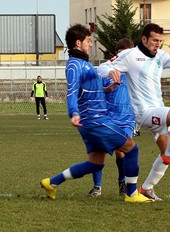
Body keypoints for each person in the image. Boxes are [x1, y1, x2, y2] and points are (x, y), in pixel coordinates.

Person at [40, 24, 153, 203]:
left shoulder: (85, 64)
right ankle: (131, 194)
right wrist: (73, 112)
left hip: (93, 121)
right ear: (78, 43)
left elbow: (93, 90)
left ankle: (51, 183)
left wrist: (108, 88)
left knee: (96, 163)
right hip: (95, 119)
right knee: (132, 148)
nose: (91, 44)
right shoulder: (74, 66)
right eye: (88, 40)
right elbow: (72, 91)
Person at [97, 23, 170, 201]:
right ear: (144, 39)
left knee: (164, 152)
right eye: (154, 40)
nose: (158, 44)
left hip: (158, 110)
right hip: (144, 113)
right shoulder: (130, 55)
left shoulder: (160, 56)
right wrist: (112, 71)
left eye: (160, 41)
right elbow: (102, 68)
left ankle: (147, 188)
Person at [88, 38, 135, 197]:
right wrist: (108, 88)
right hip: (107, 116)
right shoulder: (106, 71)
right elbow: (96, 90)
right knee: (98, 151)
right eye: (121, 54)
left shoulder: (134, 73)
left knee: (122, 153)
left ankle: (122, 182)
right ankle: (97, 187)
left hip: (126, 118)